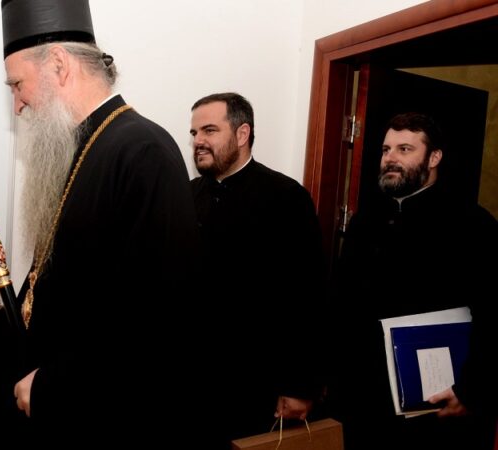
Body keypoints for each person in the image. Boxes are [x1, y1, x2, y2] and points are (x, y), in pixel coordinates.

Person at [0, 0, 220, 448]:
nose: (17, 105)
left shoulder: (142, 150)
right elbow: (57, 288)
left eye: (17, 85)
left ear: (58, 64)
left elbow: (155, 313)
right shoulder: (78, 147)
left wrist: (56, 384)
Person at [329, 112, 498, 449]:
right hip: (365, 404)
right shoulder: (365, 221)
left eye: (404, 149)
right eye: (386, 149)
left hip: (438, 409)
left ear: (434, 158)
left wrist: (471, 391)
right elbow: (341, 304)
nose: (390, 158)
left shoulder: (473, 224)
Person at [188, 92, 327, 441]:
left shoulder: (286, 197)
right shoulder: (185, 195)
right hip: (191, 380)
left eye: (209, 130)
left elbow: (308, 296)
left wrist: (300, 385)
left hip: (255, 383)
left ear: (242, 133)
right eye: (194, 133)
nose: (198, 141)